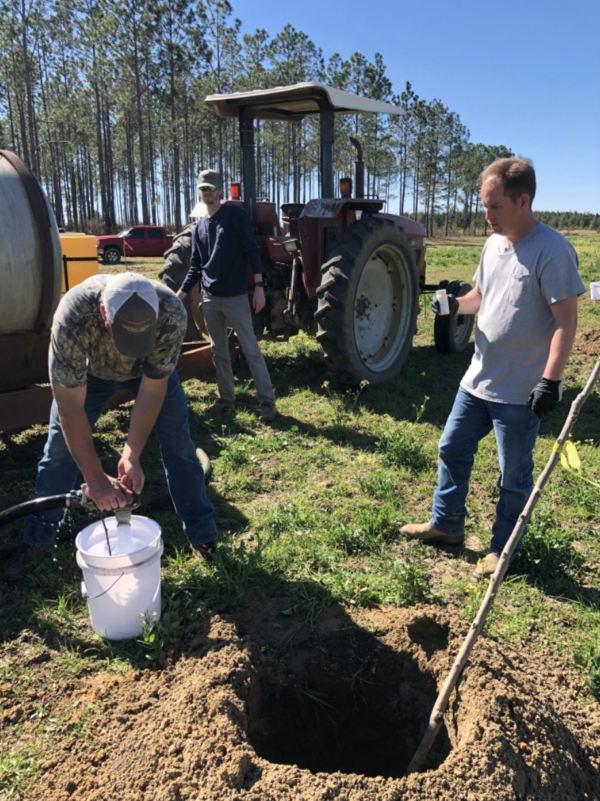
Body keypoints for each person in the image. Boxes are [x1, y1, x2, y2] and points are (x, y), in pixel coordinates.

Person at [401, 157, 585, 579]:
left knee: (513, 475)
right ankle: (446, 525)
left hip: (520, 391)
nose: (486, 216)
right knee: (451, 448)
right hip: (478, 380)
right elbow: (481, 297)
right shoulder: (492, 244)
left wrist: (550, 381)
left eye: (495, 207)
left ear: (523, 200)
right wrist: (452, 304)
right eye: (484, 205)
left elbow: (566, 321)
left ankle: (502, 549)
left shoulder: (552, 250)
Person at [2, 272, 218, 580]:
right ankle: (38, 539)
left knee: (179, 446)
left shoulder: (171, 312)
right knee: (59, 451)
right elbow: (69, 406)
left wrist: (131, 455)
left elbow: (153, 390)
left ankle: (202, 535)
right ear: (104, 313)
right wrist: (94, 476)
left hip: (150, 375)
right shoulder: (73, 316)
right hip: (90, 377)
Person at [177, 169, 277, 422]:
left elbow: (251, 250)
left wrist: (258, 287)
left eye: (211, 188)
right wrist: (178, 295)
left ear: (220, 191)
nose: (207, 192)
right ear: (198, 191)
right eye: (203, 188)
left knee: (250, 349)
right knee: (218, 350)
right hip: (209, 300)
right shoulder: (199, 227)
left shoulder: (233, 215)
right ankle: (226, 400)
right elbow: (195, 268)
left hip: (235, 297)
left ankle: (267, 403)